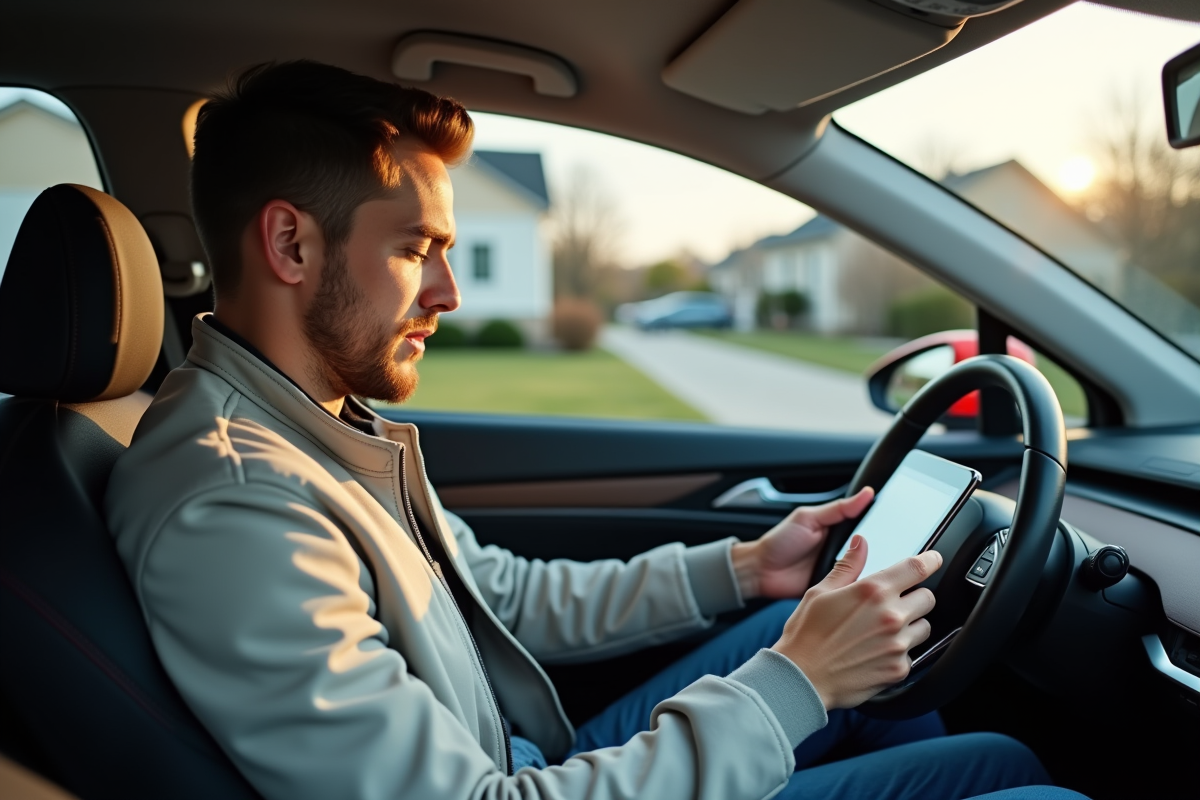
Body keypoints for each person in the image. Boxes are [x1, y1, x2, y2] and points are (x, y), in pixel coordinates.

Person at [106, 61, 1087, 800]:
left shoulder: (313, 424)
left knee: (877, 677)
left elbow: (498, 593)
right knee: (1017, 777)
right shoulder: (235, 503)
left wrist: (746, 568)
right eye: (416, 250)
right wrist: (797, 681)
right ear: (289, 242)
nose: (448, 293)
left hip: (530, 754)